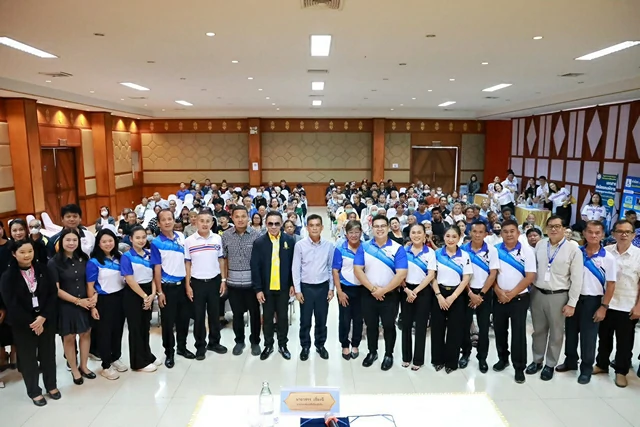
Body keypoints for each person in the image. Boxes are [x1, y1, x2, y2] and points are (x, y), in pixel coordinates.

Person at [553, 221, 615, 384]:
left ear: (603, 235)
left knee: (589, 337)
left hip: (593, 301)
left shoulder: (608, 258)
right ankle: (570, 361)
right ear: (584, 234)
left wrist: (604, 307)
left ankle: (586, 369)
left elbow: (611, 285)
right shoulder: (576, 252)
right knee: (571, 332)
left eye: (597, 232)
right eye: (590, 232)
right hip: (573, 298)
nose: (593, 235)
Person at [0, 239, 60, 406]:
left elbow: (52, 294)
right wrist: (33, 322)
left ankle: (51, 385)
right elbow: (11, 304)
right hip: (23, 324)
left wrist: (43, 317)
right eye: (22, 252)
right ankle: (34, 391)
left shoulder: (43, 269)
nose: (27, 255)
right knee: (28, 359)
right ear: (14, 254)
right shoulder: (8, 276)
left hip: (45, 320)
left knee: (48, 354)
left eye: (30, 251)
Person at [526, 216, 583, 381]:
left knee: (556, 333)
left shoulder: (573, 249)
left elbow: (577, 279)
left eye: (557, 226)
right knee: (538, 331)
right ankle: (537, 360)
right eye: (550, 226)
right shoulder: (540, 244)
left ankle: (550, 364)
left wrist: (572, 303)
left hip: (559, 295)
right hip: (538, 293)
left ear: (564, 229)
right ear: (546, 228)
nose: (553, 229)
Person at [354, 215, 408, 371]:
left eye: (383, 226)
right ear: (372, 228)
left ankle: (389, 354)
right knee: (371, 325)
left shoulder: (397, 248)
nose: (379, 229)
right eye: (376, 226)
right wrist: (373, 289)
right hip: (368, 293)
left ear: (388, 228)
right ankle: (372, 352)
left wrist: (383, 290)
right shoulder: (364, 247)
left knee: (389, 325)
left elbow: (401, 273)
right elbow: (358, 269)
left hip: (390, 295)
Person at [594, 220, 640, 387]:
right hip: (606, 303)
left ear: (633, 235)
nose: (624, 234)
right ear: (613, 234)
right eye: (620, 231)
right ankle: (602, 364)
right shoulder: (605, 252)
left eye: (628, 232)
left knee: (625, 342)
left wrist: (638, 306)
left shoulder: (638, 255)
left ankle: (621, 371)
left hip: (628, 305)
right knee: (604, 338)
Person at [48, 229, 95, 385]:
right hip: (66, 305)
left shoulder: (84, 258)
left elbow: (90, 281)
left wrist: (92, 297)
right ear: (61, 242)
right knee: (69, 337)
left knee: (85, 333)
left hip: (85, 302)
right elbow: (56, 290)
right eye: (68, 240)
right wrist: (78, 301)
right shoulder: (54, 262)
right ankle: (74, 370)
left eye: (74, 240)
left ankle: (84, 366)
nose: (71, 243)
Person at [492, 219, 536, 384]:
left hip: (519, 298)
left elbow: (530, 277)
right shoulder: (495, 250)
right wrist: (498, 291)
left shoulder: (527, 251)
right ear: (501, 233)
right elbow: (491, 274)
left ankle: (519, 367)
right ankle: (503, 359)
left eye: (512, 231)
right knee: (499, 330)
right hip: (499, 297)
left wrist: (511, 294)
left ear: (518, 233)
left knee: (518, 333)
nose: (509, 234)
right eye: (505, 231)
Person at [150, 209, 195, 368]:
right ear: (159, 223)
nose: (167, 222)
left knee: (184, 319)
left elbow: (187, 261)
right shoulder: (156, 243)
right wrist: (159, 292)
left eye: (170, 218)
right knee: (168, 323)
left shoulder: (181, 237)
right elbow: (156, 269)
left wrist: (188, 285)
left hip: (182, 285)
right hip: (167, 288)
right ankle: (169, 352)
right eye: (164, 220)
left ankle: (182, 347)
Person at [251, 211, 296, 360]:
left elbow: (293, 265)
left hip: (283, 288)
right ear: (266, 224)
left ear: (281, 224)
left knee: (282, 318)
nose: (274, 226)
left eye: (277, 223)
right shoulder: (259, 243)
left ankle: (283, 345)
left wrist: (292, 284)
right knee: (268, 319)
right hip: (266, 289)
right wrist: (258, 289)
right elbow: (255, 267)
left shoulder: (289, 241)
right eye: (270, 223)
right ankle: (268, 345)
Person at [184, 210, 228, 360]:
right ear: (196, 222)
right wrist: (187, 285)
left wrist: (223, 280)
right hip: (197, 283)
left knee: (215, 315)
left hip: (214, 281)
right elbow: (187, 264)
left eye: (207, 221)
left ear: (212, 223)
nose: (204, 224)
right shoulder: (189, 241)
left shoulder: (217, 239)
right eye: (201, 221)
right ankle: (200, 346)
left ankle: (214, 343)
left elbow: (221, 260)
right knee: (199, 316)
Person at [86, 229, 127, 380]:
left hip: (120, 298)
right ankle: (106, 365)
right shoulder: (94, 262)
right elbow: (90, 286)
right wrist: (92, 307)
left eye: (110, 241)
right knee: (104, 333)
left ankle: (116, 357)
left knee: (118, 330)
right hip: (103, 300)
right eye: (104, 241)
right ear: (98, 244)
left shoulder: (119, 257)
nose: (108, 244)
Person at [431, 225, 472, 373]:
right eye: (448, 236)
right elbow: (432, 277)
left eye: (454, 236)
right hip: (439, 293)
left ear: (459, 238)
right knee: (437, 328)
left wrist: (453, 297)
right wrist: (439, 296)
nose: (450, 239)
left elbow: (466, 279)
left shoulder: (464, 255)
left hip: (457, 295)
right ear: (444, 237)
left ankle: (451, 362)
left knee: (455, 330)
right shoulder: (436, 254)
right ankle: (437, 360)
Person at [292, 214, 334, 361]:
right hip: (306, 288)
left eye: (317, 225)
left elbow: (330, 268)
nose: (314, 228)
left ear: (322, 227)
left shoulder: (329, 246)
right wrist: (298, 290)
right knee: (305, 320)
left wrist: (331, 288)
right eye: (311, 225)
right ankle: (305, 346)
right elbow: (295, 269)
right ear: (307, 227)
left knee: (321, 319)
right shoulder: (300, 245)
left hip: (323, 287)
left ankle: (320, 345)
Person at [460, 222, 500, 373]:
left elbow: (493, 274)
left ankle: (482, 358)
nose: (477, 234)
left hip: (485, 292)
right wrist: (470, 293)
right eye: (474, 231)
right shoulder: (462, 250)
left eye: (480, 232)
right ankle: (465, 353)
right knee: (465, 325)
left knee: (484, 327)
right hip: (466, 291)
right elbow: (461, 274)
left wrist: (481, 294)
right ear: (470, 232)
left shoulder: (492, 250)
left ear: (486, 234)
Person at [222, 206, 262, 356]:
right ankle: (239, 341)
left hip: (252, 284)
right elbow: (224, 259)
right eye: (237, 216)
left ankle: (255, 341)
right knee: (237, 315)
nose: (240, 219)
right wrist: (224, 279)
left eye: (243, 216)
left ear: (248, 217)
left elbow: (261, 260)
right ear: (232, 218)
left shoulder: (257, 235)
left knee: (255, 314)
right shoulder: (226, 236)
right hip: (233, 283)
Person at [120, 226, 159, 372]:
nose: (141, 240)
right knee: (136, 328)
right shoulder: (126, 256)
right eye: (137, 238)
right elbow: (130, 280)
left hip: (148, 292)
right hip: (133, 294)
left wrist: (152, 294)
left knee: (145, 326)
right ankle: (138, 363)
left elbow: (154, 276)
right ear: (131, 239)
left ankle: (147, 355)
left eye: (143, 237)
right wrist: (144, 297)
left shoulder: (149, 254)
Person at [401, 223, 436, 371]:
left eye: (419, 233)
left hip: (423, 291)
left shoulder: (430, 253)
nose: (416, 235)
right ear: (409, 235)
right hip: (406, 290)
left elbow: (431, 275)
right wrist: (406, 289)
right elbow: (399, 272)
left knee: (421, 326)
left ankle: (418, 359)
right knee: (406, 325)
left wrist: (415, 291)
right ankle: (406, 357)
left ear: (424, 235)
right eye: (413, 233)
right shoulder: (403, 251)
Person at [332, 220, 364, 361]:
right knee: (345, 319)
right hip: (345, 289)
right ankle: (345, 344)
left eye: (357, 232)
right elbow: (335, 270)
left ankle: (355, 344)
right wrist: (339, 291)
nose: (354, 235)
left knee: (358, 319)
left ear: (361, 233)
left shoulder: (365, 248)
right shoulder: (340, 248)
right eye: (351, 232)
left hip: (362, 289)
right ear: (346, 234)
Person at [0, 220, 16, 371]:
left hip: (12, 291)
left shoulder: (11, 246)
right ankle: (2, 355)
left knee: (13, 324)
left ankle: (14, 354)